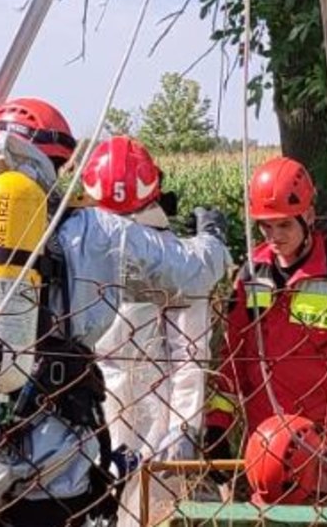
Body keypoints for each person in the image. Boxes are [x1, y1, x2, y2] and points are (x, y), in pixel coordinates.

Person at [0, 99, 231, 527]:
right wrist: (212, 236)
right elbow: (194, 272)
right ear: (57, 162)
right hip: (60, 465)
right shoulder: (98, 233)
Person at [82, 136, 231, 527]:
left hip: (154, 418)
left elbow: (188, 353)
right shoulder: (179, 260)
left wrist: (183, 428)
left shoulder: (175, 262)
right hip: (94, 409)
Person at [206, 156, 327, 466]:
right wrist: (217, 427)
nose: (274, 236)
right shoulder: (251, 276)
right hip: (267, 445)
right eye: (266, 226)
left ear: (308, 216)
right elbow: (234, 360)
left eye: (284, 224)